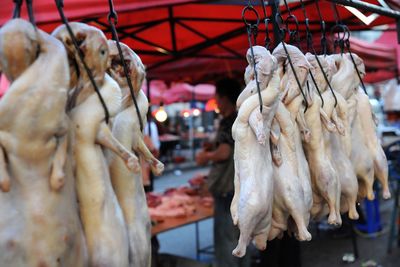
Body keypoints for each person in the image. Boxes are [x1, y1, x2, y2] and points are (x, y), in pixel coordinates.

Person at [196, 77, 250, 267]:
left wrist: (206, 156)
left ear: (225, 98)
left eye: (217, 97)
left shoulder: (230, 121)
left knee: (226, 238)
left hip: (228, 189)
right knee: (241, 237)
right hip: (242, 186)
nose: (216, 102)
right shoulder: (242, 118)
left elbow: (225, 152)